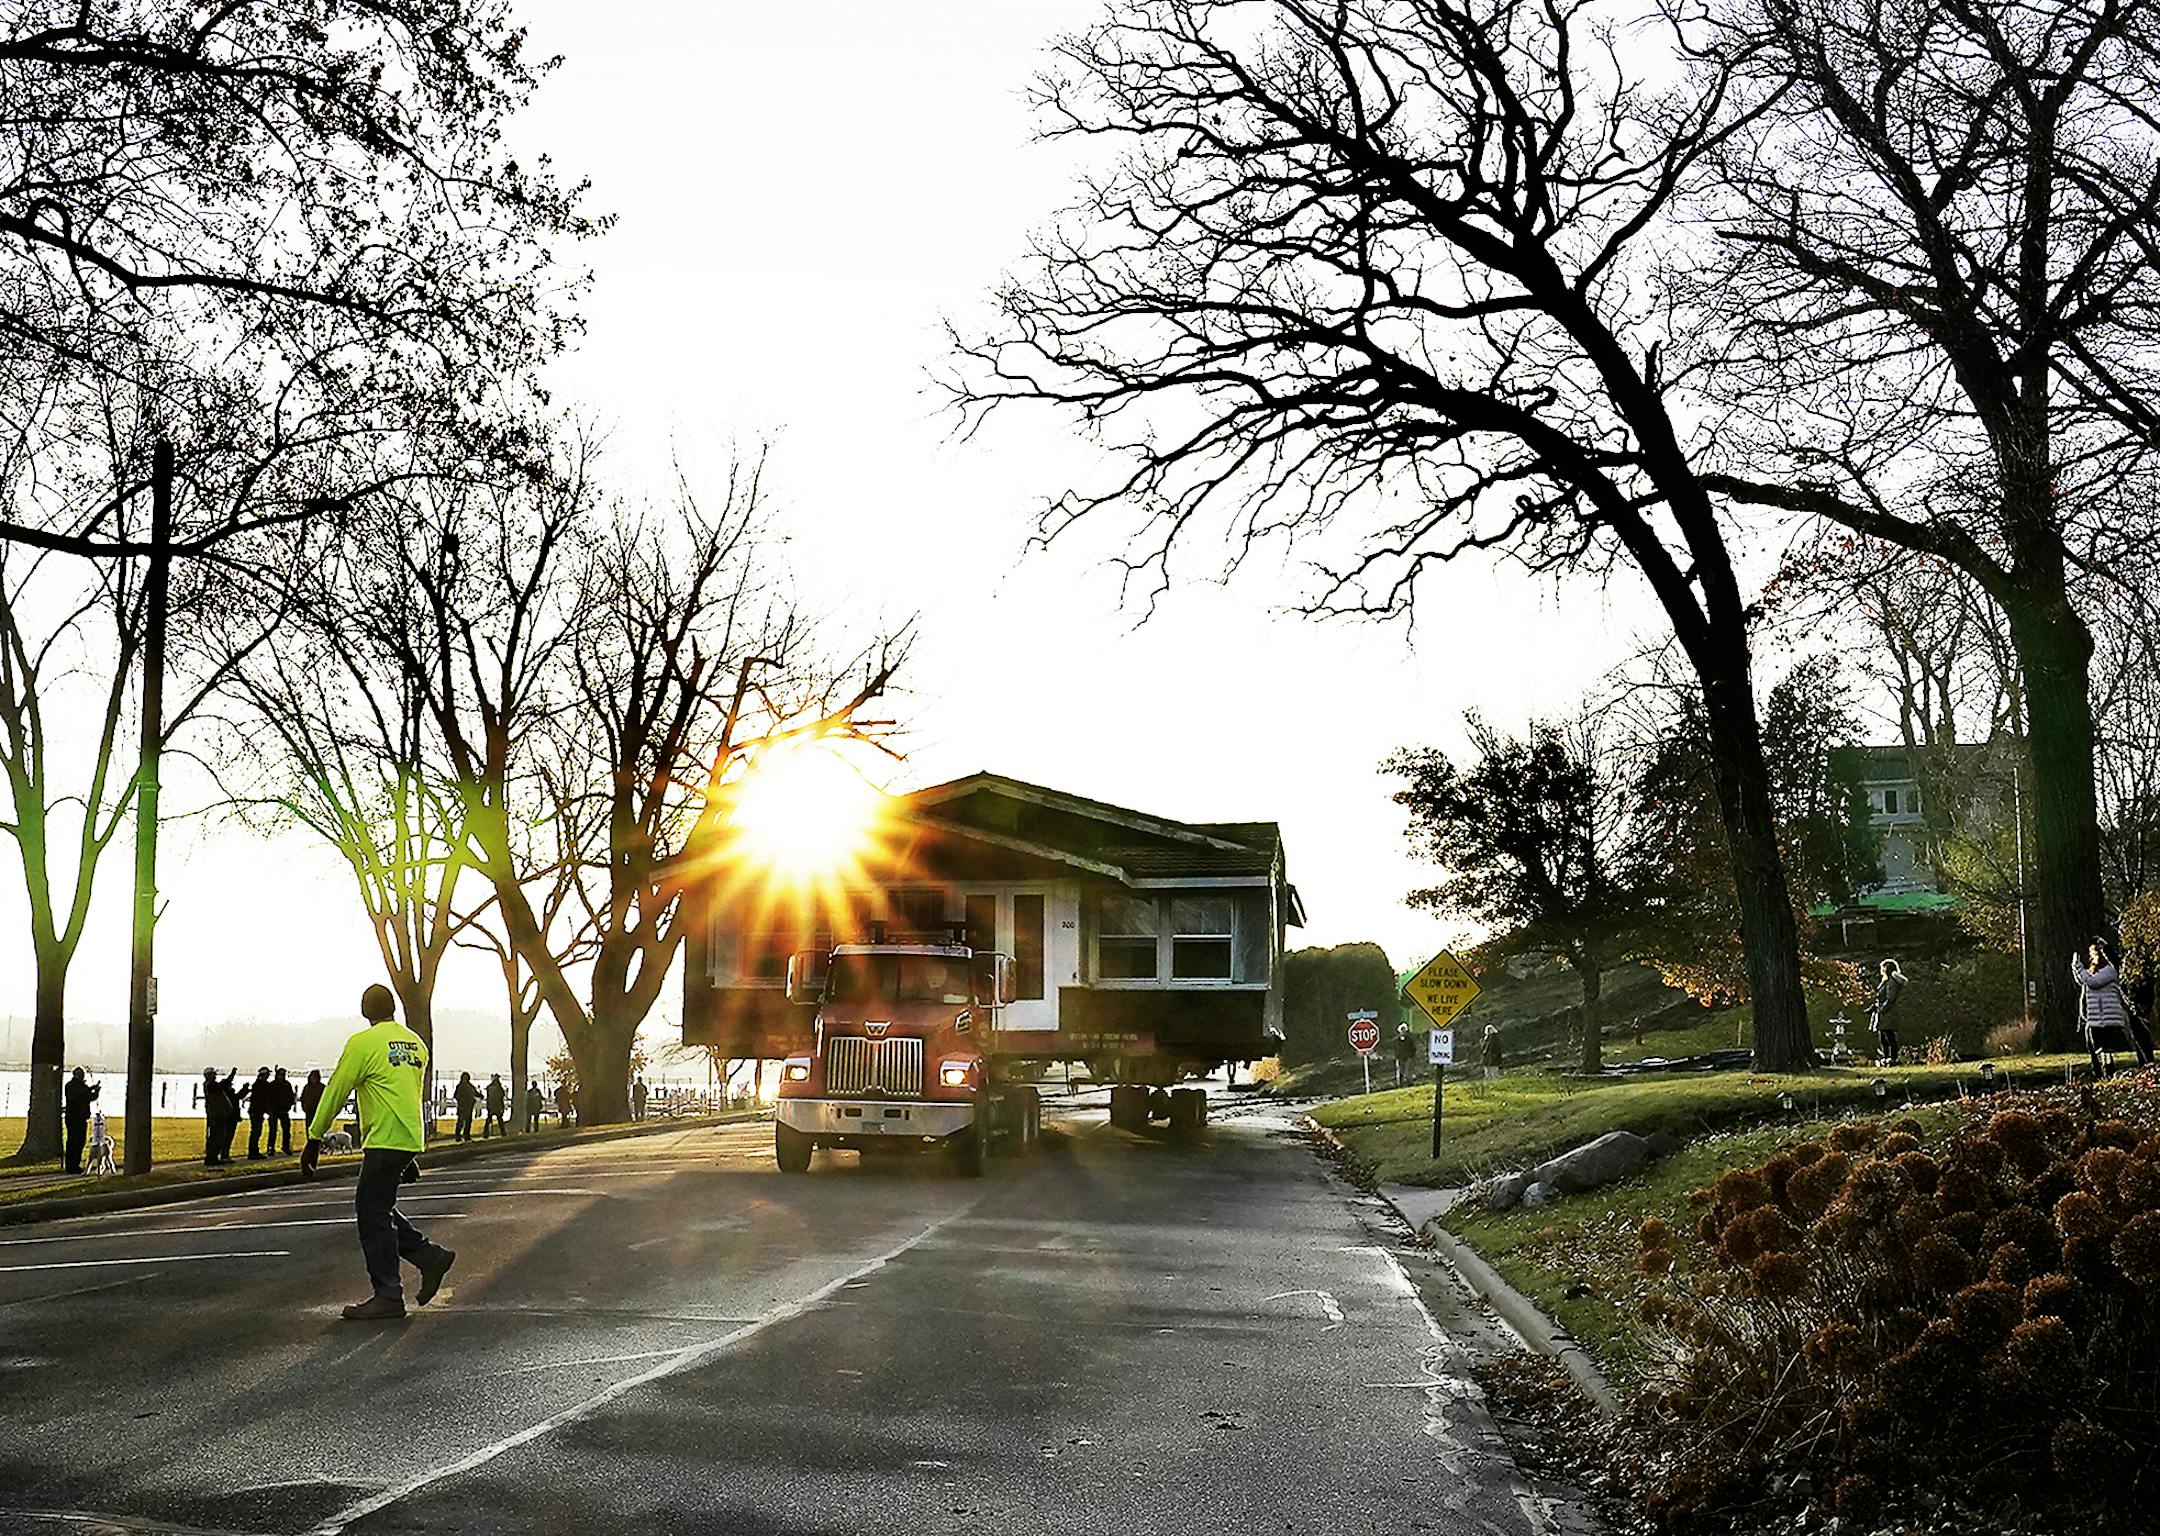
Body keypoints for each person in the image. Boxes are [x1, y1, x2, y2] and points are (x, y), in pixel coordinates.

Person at [301, 984, 455, 1322]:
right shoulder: (416, 1043)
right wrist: (410, 1152)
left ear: (364, 1010)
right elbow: (404, 1094)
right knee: (378, 1207)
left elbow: (337, 1090)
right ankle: (429, 1257)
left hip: (384, 1138)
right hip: (406, 1136)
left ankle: (388, 1294)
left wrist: (314, 1137)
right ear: (394, 1008)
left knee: (371, 1211)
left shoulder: (362, 1044)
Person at [2074, 937, 2155, 1071]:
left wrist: (2077, 966)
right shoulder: (2092, 972)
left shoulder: (2109, 971)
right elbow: (2084, 982)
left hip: (2106, 1015)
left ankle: (2111, 1071)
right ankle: (2102, 1072)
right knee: (2095, 1046)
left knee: (2107, 1047)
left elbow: (2091, 982)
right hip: (2096, 1016)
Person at [1870, 959, 1906, 1067]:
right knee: (1883, 1037)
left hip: (1888, 1013)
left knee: (1889, 1037)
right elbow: (1879, 993)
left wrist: (1882, 1009)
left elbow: (1890, 998)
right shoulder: (1885, 981)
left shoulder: (1891, 982)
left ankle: (1892, 1058)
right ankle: (1886, 1058)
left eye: (1882, 968)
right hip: (1884, 1013)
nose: (1880, 970)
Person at [62, 1068, 98, 1174]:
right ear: (75, 1075)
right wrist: (90, 1089)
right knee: (73, 1141)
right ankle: (70, 1166)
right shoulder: (71, 1086)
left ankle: (75, 1165)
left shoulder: (83, 1086)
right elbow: (79, 1096)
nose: (82, 1076)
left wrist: (95, 1092)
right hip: (73, 1118)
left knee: (80, 1142)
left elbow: (89, 1097)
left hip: (82, 1118)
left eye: (83, 1074)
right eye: (80, 1074)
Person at [266, 1067, 297, 1154]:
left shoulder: (287, 1085)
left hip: (284, 1110)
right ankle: (271, 1148)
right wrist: (270, 1108)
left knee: (286, 1130)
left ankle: (285, 1147)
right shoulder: (272, 1085)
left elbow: (291, 1096)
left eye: (283, 1075)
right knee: (273, 1130)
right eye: (280, 1074)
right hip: (274, 1110)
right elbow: (268, 1098)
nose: (281, 1076)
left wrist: (289, 1105)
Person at [245, 1067, 274, 1159]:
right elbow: (263, 1099)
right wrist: (268, 1110)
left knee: (256, 1132)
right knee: (256, 1132)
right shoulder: (261, 1085)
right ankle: (253, 1152)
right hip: (257, 1111)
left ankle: (253, 1151)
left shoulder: (257, 1084)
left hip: (256, 1111)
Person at [452, 1071, 479, 1142]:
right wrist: (462, 1101)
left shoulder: (469, 1086)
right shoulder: (461, 1086)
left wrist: (479, 1096)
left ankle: (466, 1135)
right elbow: (456, 1096)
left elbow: (475, 1093)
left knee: (467, 1122)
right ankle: (459, 1135)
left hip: (468, 1106)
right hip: (463, 1106)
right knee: (462, 1121)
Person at [299, 1068, 326, 1132]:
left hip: (318, 1111)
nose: (314, 1079)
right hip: (309, 1111)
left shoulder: (322, 1087)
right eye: (313, 1077)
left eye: (315, 1077)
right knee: (308, 1127)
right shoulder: (307, 1087)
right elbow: (303, 1098)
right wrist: (304, 1107)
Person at [484, 1074, 508, 1138]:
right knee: (500, 1120)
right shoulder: (499, 1088)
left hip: (491, 1105)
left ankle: (485, 1133)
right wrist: (502, 1107)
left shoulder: (490, 1087)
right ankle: (503, 1133)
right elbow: (501, 1097)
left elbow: (488, 1097)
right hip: (497, 1105)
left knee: (489, 1120)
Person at [1393, 1022, 1414, 1088]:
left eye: (1404, 1030)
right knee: (1400, 1072)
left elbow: (1413, 1048)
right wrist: (1397, 1056)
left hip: (1408, 1058)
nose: (1403, 1032)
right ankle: (1400, 1084)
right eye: (1402, 1030)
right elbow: (1395, 1048)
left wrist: (1411, 1056)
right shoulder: (1397, 1040)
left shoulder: (1409, 1040)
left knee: (1408, 1072)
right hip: (1400, 1058)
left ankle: (1409, 1084)